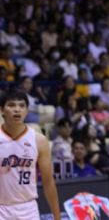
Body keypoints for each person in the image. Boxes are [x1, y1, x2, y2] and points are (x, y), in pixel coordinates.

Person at [0, 90, 61, 220]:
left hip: (28, 209)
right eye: (11, 105)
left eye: (22, 106)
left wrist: (57, 217)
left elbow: (48, 181)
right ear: (2, 110)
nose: (17, 110)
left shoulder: (39, 140)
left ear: (27, 111)